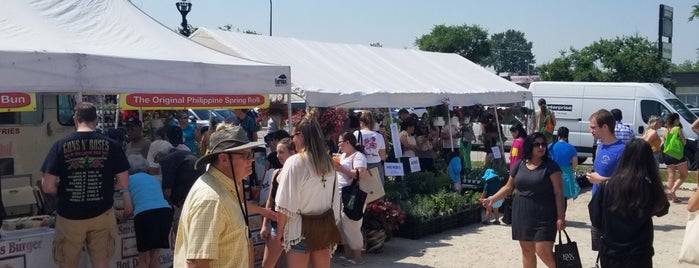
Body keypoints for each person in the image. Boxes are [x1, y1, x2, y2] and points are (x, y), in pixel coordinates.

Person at [40, 102, 131, 268]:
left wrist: (62, 190)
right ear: (96, 119)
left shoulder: (60, 146)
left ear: (75, 119)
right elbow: (124, 182)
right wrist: (107, 186)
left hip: (70, 215)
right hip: (102, 214)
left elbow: (47, 186)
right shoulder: (113, 146)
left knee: (67, 264)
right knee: (102, 264)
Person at [174, 125, 265, 267]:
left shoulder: (225, 188)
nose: (251, 160)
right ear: (223, 159)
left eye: (251, 154)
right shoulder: (212, 199)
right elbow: (197, 262)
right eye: (246, 155)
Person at [480, 132, 565, 268]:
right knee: (527, 251)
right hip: (522, 214)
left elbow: (559, 193)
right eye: (537, 144)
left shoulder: (551, 167)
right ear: (529, 146)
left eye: (543, 144)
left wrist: (561, 216)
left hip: (545, 215)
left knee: (543, 250)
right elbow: (508, 187)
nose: (541, 147)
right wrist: (491, 199)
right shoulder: (519, 165)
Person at [588, 139, 669, 267]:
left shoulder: (608, 185)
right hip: (639, 253)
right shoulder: (648, 186)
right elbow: (663, 209)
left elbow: (595, 216)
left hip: (611, 251)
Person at [275, 111, 341, 268]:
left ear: (301, 136)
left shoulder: (295, 162)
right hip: (324, 227)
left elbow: (284, 203)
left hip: (300, 230)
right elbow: (336, 200)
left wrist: (279, 233)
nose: (293, 141)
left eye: (293, 136)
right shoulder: (329, 163)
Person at [585, 109, 625, 252]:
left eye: (593, 127)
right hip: (597, 205)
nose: (590, 130)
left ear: (605, 127)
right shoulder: (600, 146)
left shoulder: (622, 150)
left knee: (612, 250)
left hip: (612, 208)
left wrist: (601, 180)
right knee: (599, 250)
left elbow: (626, 182)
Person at [123, 154, 173, 268]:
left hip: (145, 215)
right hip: (165, 212)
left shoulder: (127, 180)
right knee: (154, 257)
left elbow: (128, 209)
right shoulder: (153, 179)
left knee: (144, 259)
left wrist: (122, 217)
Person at [260, 138, 296, 268]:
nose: (278, 156)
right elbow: (270, 200)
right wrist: (265, 225)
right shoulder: (276, 173)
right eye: (277, 152)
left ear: (292, 153)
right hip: (276, 224)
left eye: (281, 152)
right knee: (267, 263)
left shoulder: (298, 175)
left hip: (295, 227)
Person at [335, 131, 368, 266]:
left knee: (352, 225)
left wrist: (343, 170)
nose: (338, 145)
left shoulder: (358, 156)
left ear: (348, 142)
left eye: (340, 142)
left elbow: (361, 174)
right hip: (340, 193)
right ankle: (348, 255)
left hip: (352, 194)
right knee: (342, 225)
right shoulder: (342, 155)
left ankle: (357, 258)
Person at [355, 110, 388, 183]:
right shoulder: (379, 136)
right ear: (372, 123)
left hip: (360, 167)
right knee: (377, 192)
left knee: (361, 192)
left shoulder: (356, 134)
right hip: (376, 167)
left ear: (361, 122)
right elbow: (383, 156)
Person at [548, 126, 580, 201]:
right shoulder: (571, 148)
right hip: (566, 176)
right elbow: (575, 165)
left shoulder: (550, 146)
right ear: (567, 136)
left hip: (552, 174)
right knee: (563, 200)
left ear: (558, 135)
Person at [663, 112, 688, 204]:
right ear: (676, 120)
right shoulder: (677, 129)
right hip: (677, 154)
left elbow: (664, 142)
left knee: (671, 176)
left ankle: (673, 198)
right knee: (684, 175)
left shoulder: (666, 130)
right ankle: (673, 190)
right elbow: (684, 141)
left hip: (667, 154)